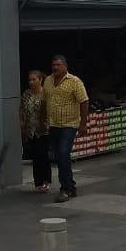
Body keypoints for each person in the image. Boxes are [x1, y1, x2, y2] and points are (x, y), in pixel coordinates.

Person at [43, 55, 88, 203]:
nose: (55, 67)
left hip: (69, 124)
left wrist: (83, 124)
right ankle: (70, 186)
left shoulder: (74, 81)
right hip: (54, 124)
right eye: (53, 65)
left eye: (58, 65)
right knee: (59, 156)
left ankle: (66, 189)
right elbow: (45, 101)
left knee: (63, 153)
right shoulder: (48, 81)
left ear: (65, 66)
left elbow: (84, 101)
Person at [19, 70, 50, 193]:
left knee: (43, 155)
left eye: (34, 79)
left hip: (43, 129)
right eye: (29, 80)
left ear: (40, 80)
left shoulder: (45, 93)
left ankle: (47, 180)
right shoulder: (26, 94)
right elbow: (21, 109)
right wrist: (22, 125)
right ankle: (38, 182)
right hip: (30, 129)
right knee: (35, 156)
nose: (31, 82)